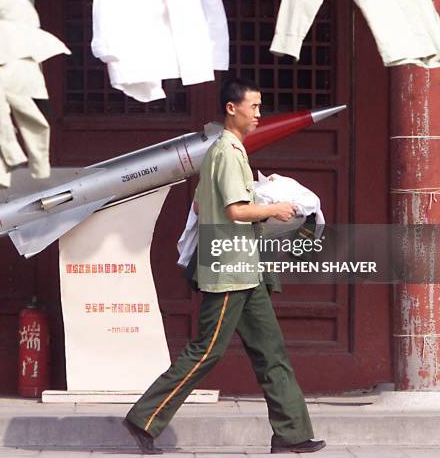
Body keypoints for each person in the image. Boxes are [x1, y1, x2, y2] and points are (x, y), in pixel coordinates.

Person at [123, 78, 326, 454]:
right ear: (232, 109)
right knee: (206, 350)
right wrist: (275, 209)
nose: (259, 115)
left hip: (246, 269)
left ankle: (292, 435)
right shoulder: (229, 152)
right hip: (229, 271)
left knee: (271, 352)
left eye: (261, 107)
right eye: (254, 107)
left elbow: (202, 206)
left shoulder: (223, 151)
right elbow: (236, 211)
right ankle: (144, 419)